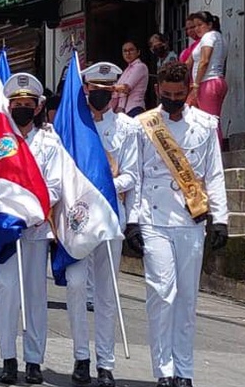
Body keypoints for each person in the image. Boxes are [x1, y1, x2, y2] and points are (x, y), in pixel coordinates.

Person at [124, 61, 229, 387]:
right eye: (166, 95)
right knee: (161, 294)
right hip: (154, 219)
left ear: (188, 92)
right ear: (158, 91)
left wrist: (221, 219)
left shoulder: (205, 125)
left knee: (186, 298)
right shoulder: (143, 125)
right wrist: (133, 222)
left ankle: (184, 371)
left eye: (178, 95)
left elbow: (214, 174)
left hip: (191, 220)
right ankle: (163, 371)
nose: (172, 100)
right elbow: (136, 175)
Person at [67, 62, 140, 387]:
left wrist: (108, 180)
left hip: (111, 218)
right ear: (85, 90)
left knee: (107, 294)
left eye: (107, 91)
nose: (101, 96)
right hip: (79, 220)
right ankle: (81, 356)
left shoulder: (126, 127)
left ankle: (105, 363)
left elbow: (131, 176)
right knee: (76, 284)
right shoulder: (73, 124)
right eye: (95, 90)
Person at [0, 73, 63, 385]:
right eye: (17, 104)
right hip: (7, 230)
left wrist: (33, 212)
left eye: (28, 104)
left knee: (35, 295)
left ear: (38, 108)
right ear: (8, 106)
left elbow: (55, 186)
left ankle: (34, 359)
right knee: (8, 292)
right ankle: (8, 357)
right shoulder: (0, 140)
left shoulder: (50, 141)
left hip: (36, 230)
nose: (22, 109)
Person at [187, 11, 228, 140]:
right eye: (195, 26)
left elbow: (204, 61)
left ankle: (216, 156)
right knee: (195, 117)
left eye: (200, 25)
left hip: (208, 83)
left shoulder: (209, 37)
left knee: (210, 122)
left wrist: (196, 85)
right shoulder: (218, 38)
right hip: (214, 81)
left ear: (209, 25)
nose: (197, 29)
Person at [111, 41, 148, 117]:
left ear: (138, 52)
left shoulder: (140, 66)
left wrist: (106, 88)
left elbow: (126, 88)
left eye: (131, 50)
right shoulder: (127, 69)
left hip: (135, 109)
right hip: (124, 110)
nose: (127, 53)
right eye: (125, 51)